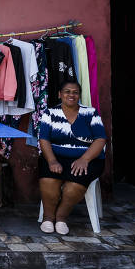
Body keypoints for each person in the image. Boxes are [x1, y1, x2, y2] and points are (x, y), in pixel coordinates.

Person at [38, 80, 106, 235]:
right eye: (67, 91)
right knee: (49, 178)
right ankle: (48, 218)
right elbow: (44, 139)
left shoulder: (90, 113)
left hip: (88, 159)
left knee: (74, 184)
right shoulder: (50, 113)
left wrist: (85, 159)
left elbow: (100, 139)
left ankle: (61, 218)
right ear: (60, 94)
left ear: (79, 95)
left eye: (75, 92)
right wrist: (52, 160)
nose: (71, 95)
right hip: (56, 157)